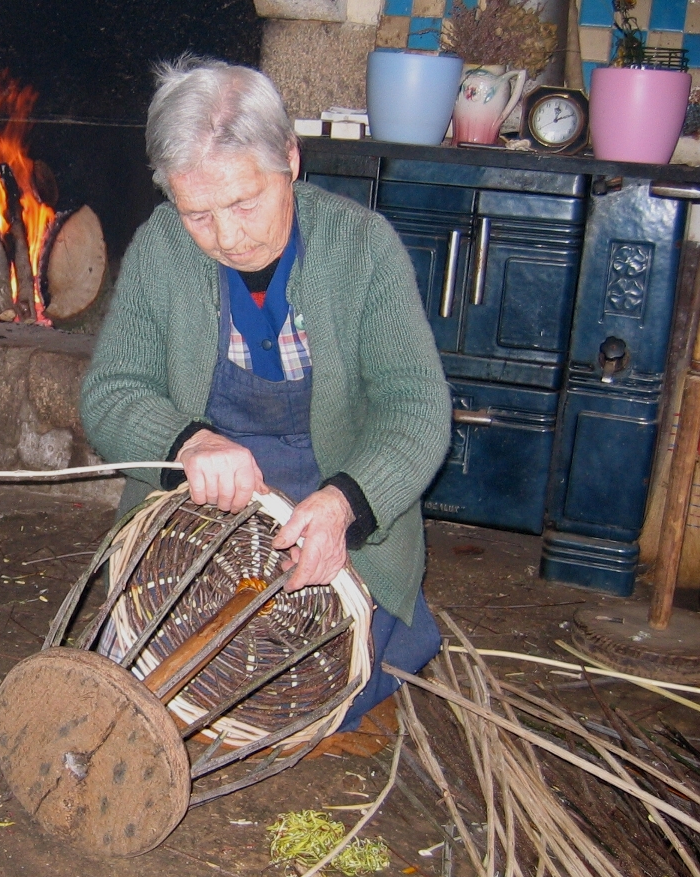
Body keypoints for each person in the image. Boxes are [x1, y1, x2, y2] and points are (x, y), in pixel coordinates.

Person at [78, 55, 452, 731]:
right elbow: (109, 392)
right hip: (192, 528)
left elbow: (417, 408)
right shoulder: (159, 249)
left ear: (289, 158)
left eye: (245, 202)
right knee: (157, 688)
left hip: (339, 526)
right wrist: (186, 440)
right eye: (197, 214)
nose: (227, 236)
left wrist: (345, 504)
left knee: (289, 698)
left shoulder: (362, 249)